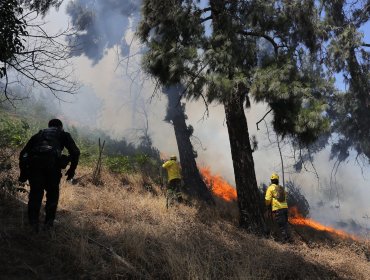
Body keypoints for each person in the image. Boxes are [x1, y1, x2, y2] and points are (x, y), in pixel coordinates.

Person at [18, 119, 80, 232]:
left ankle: (33, 224)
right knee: (52, 195)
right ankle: (48, 224)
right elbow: (75, 152)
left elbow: (23, 154)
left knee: (35, 195)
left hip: (34, 166)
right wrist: (71, 170)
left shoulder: (38, 134)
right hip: (52, 167)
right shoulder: (63, 134)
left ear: (49, 126)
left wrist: (23, 174)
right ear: (60, 127)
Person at [265, 173, 291, 242]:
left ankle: (284, 240)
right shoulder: (281, 188)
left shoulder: (270, 188)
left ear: (271, 180)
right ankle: (288, 238)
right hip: (285, 208)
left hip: (278, 208)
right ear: (277, 180)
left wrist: (267, 206)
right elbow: (285, 197)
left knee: (281, 225)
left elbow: (267, 199)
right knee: (285, 224)